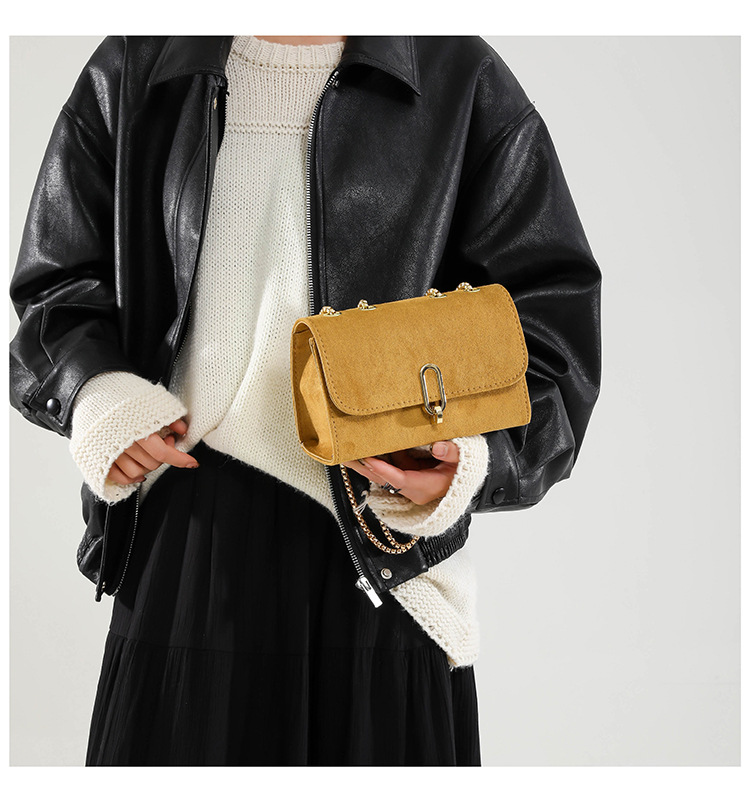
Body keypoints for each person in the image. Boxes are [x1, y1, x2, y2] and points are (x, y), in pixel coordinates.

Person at [9, 35, 602, 766]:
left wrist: (474, 462)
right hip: (186, 537)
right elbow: (55, 287)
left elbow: (556, 331)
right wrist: (98, 396)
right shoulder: (139, 64)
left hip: (384, 544)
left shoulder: (458, 76)